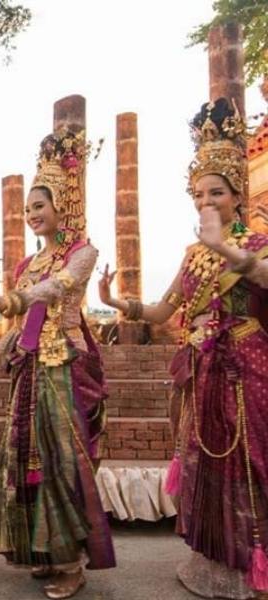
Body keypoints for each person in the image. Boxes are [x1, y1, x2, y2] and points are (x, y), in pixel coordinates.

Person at [99, 98, 268, 600]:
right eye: (198, 194)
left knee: (251, 461)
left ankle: (254, 566)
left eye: (216, 192)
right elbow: (163, 309)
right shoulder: (194, 252)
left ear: (237, 196)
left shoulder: (254, 243)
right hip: (201, 370)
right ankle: (215, 562)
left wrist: (225, 249)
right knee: (205, 464)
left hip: (247, 365)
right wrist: (116, 302)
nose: (206, 202)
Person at [0, 129, 115, 599]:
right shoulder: (27, 263)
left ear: (61, 204)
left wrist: (10, 298)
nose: (31, 215)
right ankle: (45, 552)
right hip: (29, 373)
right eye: (27, 208)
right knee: (26, 463)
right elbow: (18, 326)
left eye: (38, 206)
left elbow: (58, 289)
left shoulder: (83, 254)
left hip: (62, 369)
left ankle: (72, 561)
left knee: (60, 462)